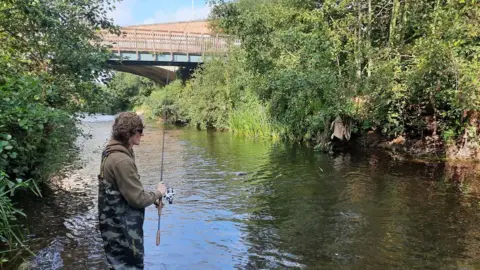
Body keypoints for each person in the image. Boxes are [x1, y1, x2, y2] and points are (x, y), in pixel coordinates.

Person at [97, 112, 166, 269]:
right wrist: (158, 193)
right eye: (140, 131)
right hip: (123, 232)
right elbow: (138, 199)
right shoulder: (122, 160)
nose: (142, 135)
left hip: (113, 227)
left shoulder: (110, 152)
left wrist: (152, 198)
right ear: (130, 133)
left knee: (117, 264)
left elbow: (124, 190)